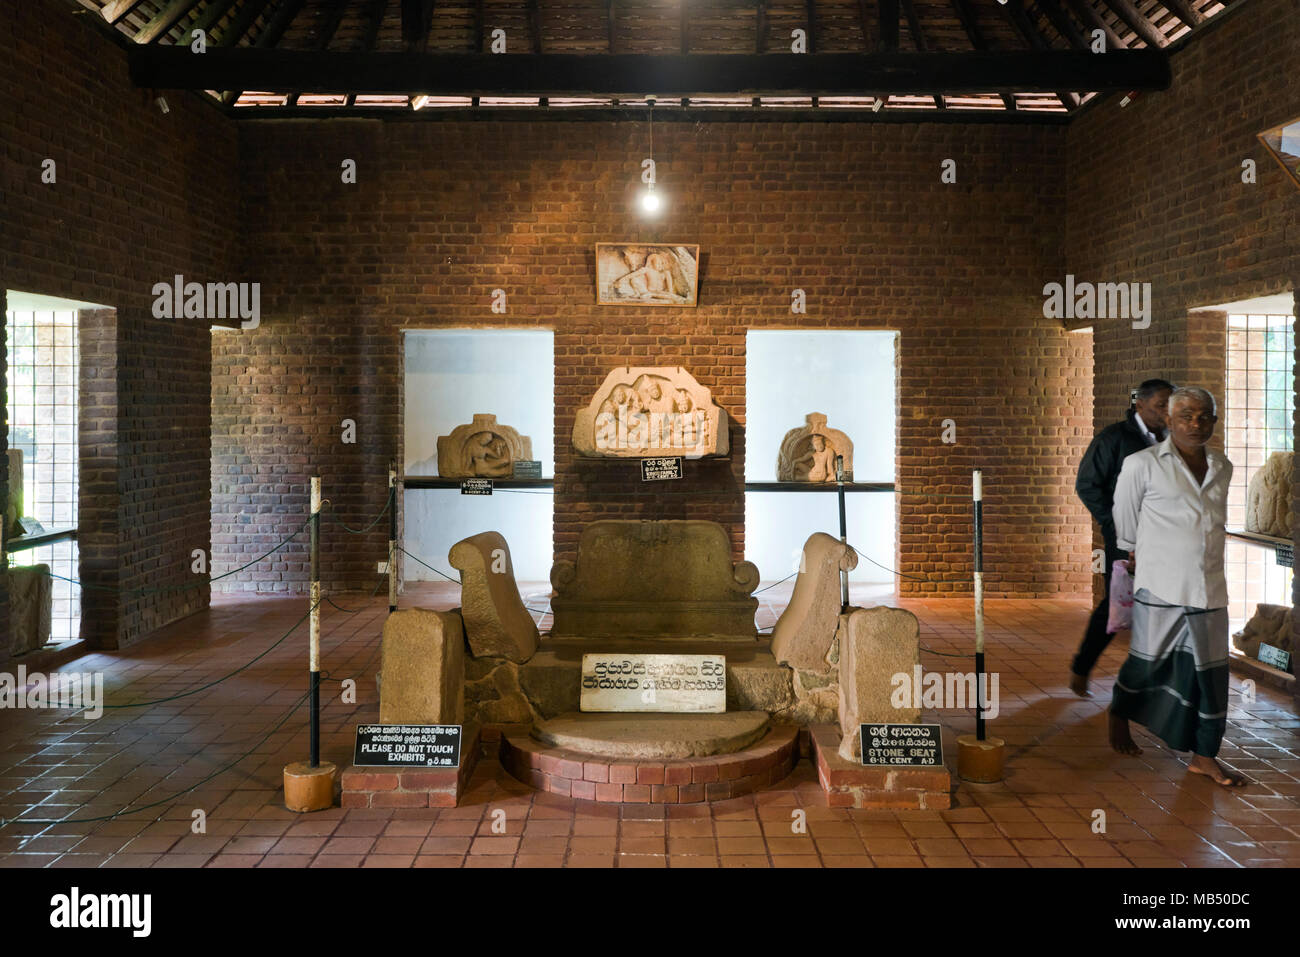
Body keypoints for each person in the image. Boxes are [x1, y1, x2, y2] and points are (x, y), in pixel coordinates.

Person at [1109, 386, 1246, 787]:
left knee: (1210, 676)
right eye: (1186, 415)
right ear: (1168, 421)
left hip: (1209, 587)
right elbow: (1125, 521)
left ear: (1214, 422)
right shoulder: (1142, 464)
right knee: (1148, 663)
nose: (1195, 423)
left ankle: (1205, 756)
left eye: (1205, 416)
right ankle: (1120, 712)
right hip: (1161, 585)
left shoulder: (1223, 466)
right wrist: (1137, 553)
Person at [1071, 378, 1174, 696]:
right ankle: (1082, 666)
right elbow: (1087, 484)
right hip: (1127, 538)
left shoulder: (1175, 439)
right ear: (1139, 404)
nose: (1166, 413)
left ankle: (1156, 682)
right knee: (1117, 605)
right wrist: (1114, 523)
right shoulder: (1114, 438)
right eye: (1160, 406)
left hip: (1167, 539)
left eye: (1171, 406)